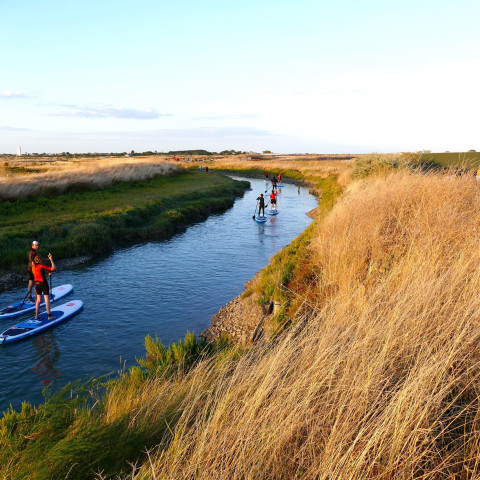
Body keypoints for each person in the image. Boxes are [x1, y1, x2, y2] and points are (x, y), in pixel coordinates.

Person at [32, 253, 56, 320]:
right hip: (43, 284)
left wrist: (47, 274)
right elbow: (53, 268)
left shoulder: (33, 267)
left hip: (36, 285)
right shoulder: (41, 266)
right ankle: (49, 316)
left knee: (38, 300)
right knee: (47, 300)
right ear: (39, 260)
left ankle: (36, 316)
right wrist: (51, 259)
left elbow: (40, 275)